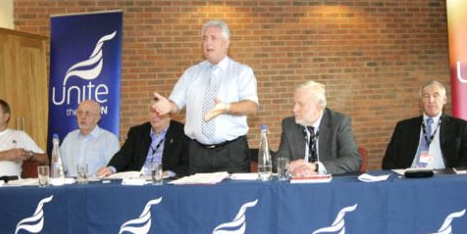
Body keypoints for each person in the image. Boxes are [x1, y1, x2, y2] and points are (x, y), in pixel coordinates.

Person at [152, 20, 258, 174]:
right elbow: (176, 103)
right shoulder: (191, 73)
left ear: (226, 43)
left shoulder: (242, 71)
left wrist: (227, 107)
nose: (208, 43)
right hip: (197, 153)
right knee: (199, 197)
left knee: (235, 197)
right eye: (204, 38)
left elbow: (252, 107)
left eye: (213, 38)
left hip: (232, 152)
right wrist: (169, 106)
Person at [382, 80, 467, 170]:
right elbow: (389, 161)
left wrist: (452, 175)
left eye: (436, 95)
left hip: (444, 178)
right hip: (411, 178)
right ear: (420, 101)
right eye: (426, 96)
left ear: (444, 100)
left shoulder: (460, 126)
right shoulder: (404, 127)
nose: (431, 100)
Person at [276, 81, 361, 176]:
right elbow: (279, 159)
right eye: (294, 103)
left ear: (319, 106)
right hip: (298, 186)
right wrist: (289, 166)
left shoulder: (338, 123)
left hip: (330, 186)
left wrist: (315, 167)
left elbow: (354, 160)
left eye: (301, 104)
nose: (294, 109)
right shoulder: (289, 125)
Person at [96, 101, 189, 178]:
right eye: (152, 111)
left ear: (169, 116)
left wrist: (169, 174)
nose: (154, 116)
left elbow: (188, 163)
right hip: (137, 181)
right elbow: (124, 155)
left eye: (159, 112)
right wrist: (111, 169)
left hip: (164, 182)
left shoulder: (182, 132)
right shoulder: (137, 132)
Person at [60, 100, 119, 177]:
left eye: (87, 113)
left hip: (96, 187)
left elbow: (112, 171)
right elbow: (59, 167)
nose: (83, 117)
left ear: (97, 118)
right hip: (69, 187)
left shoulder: (109, 139)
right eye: (80, 113)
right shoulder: (69, 138)